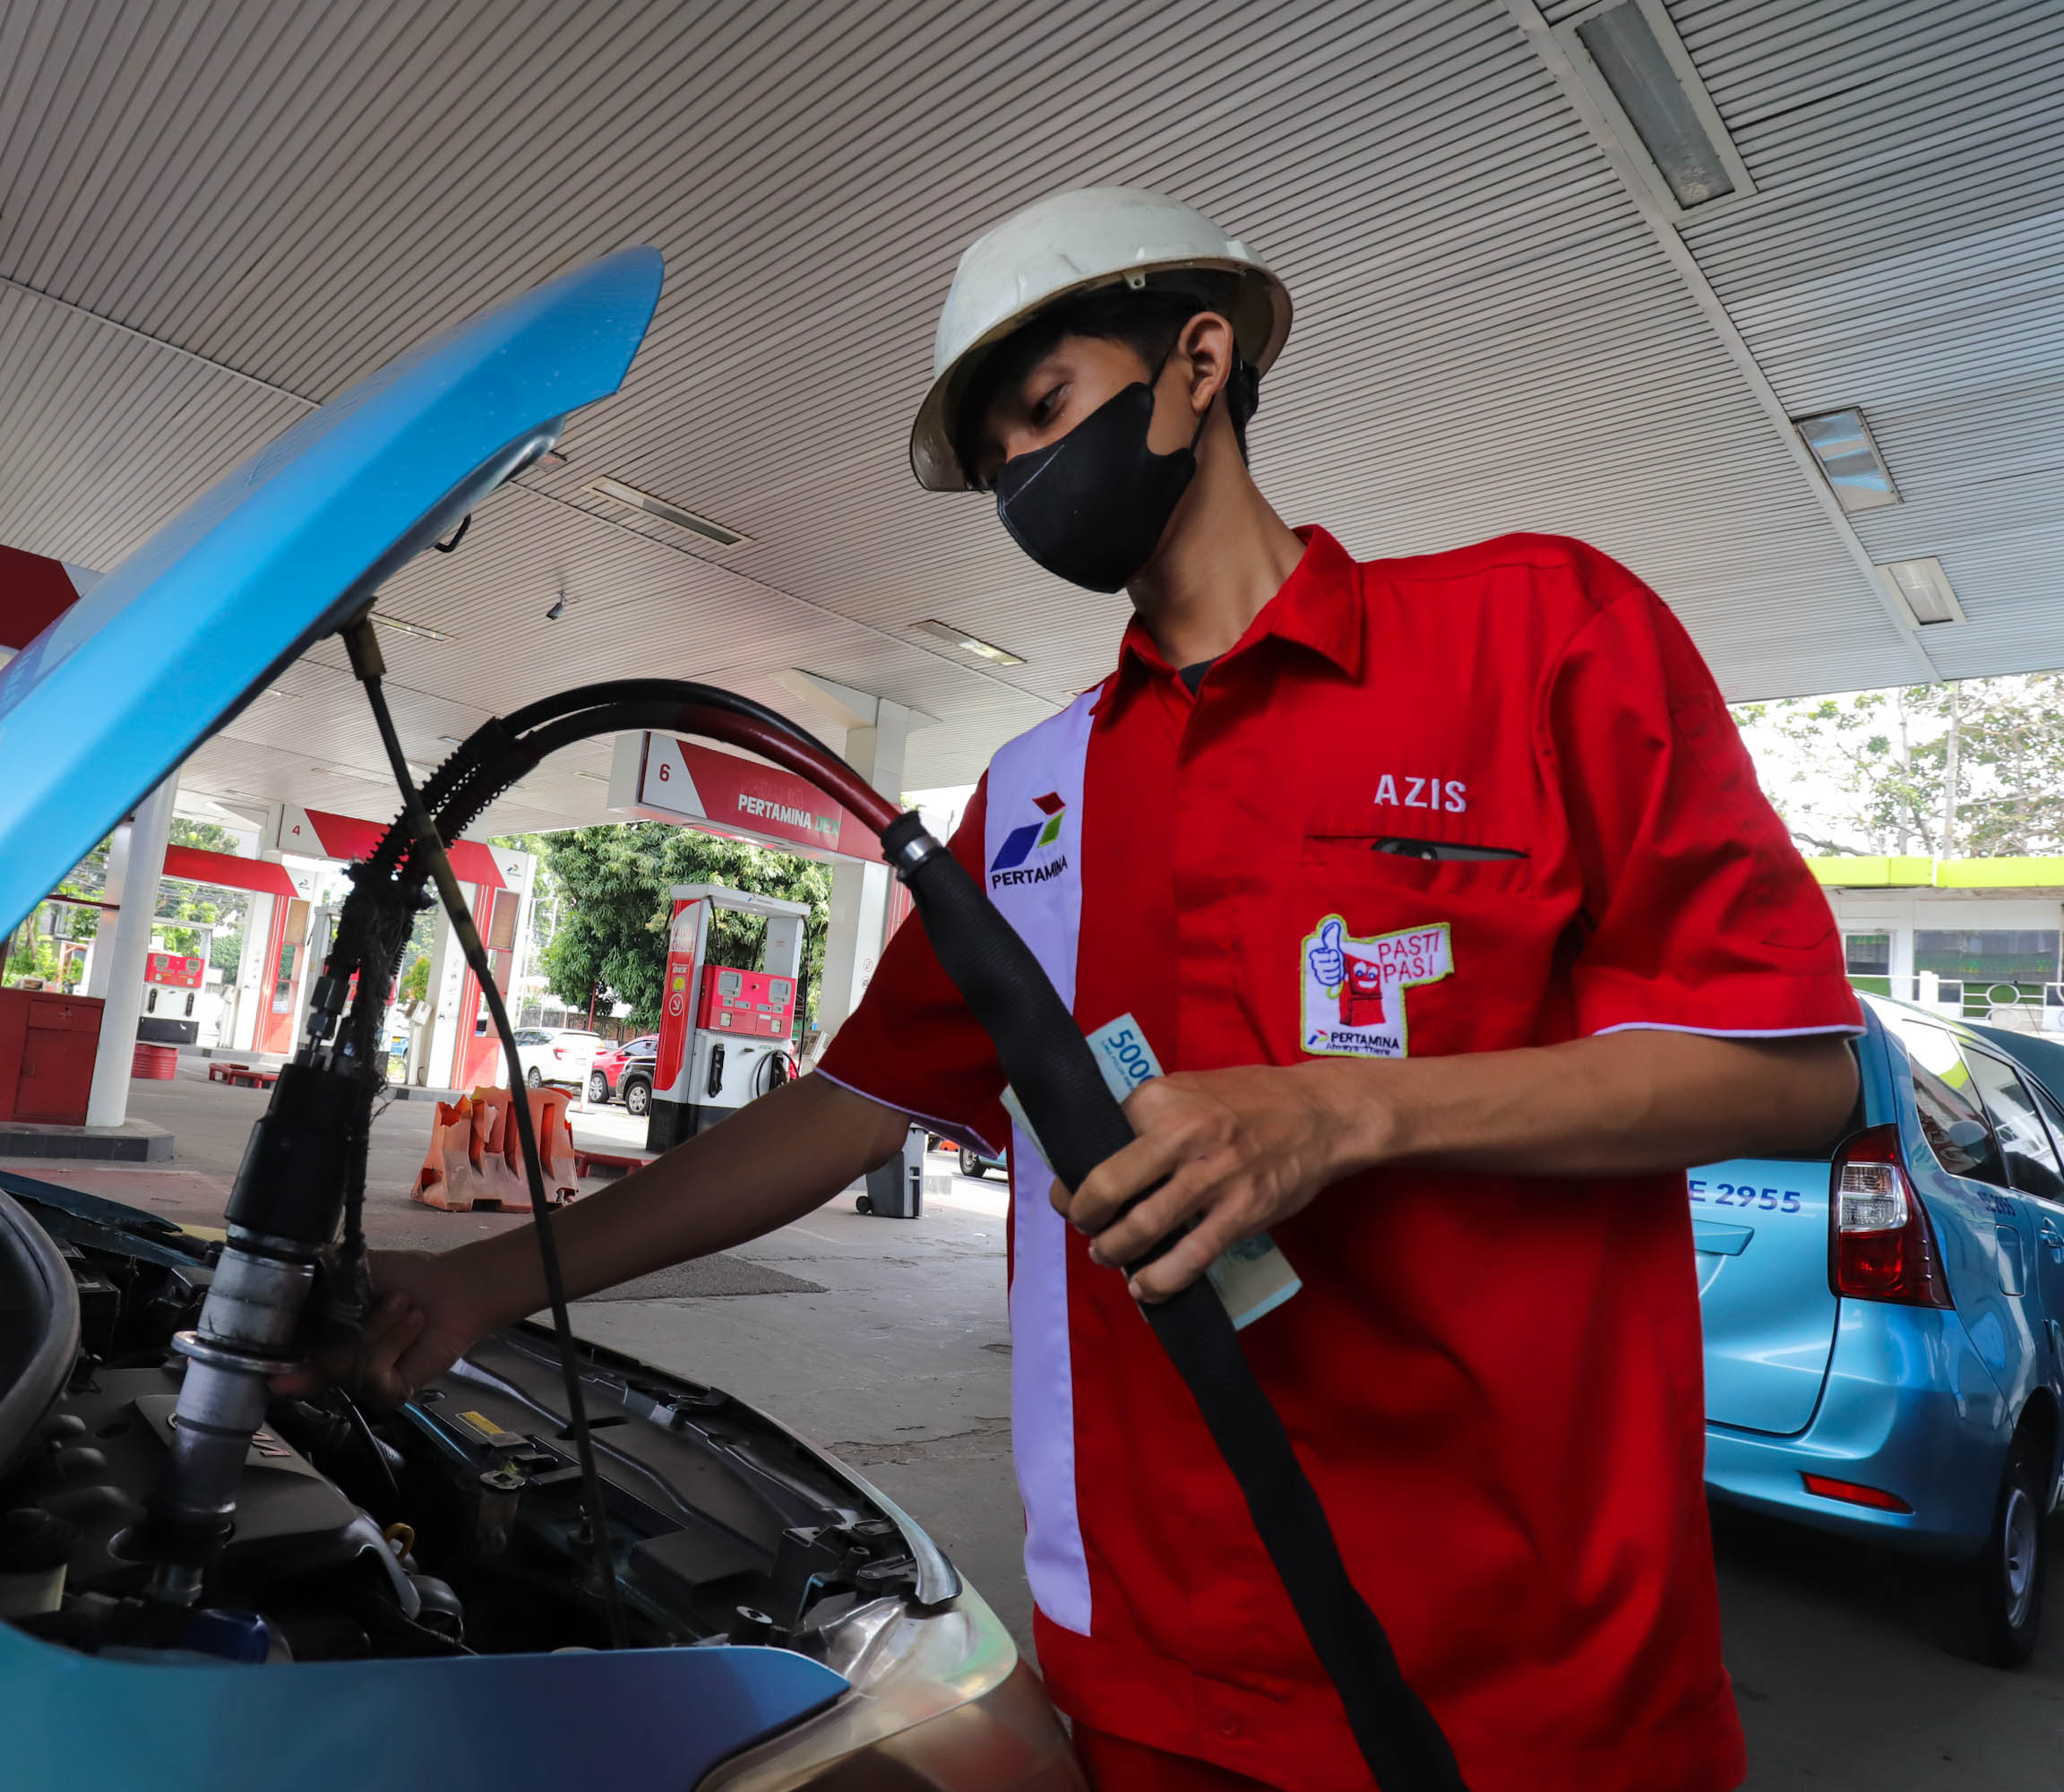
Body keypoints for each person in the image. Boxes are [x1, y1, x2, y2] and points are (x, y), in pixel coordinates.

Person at [355, 188, 1862, 1789]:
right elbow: (851, 1110)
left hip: (1537, 1695)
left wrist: (1348, 1111)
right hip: (1164, 1684)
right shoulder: (1037, 798)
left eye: (1044, 408)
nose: (1019, 472)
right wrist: (486, 1283)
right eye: (994, 451)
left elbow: (1787, 1069)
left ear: (1197, 362)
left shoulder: (1538, 637)